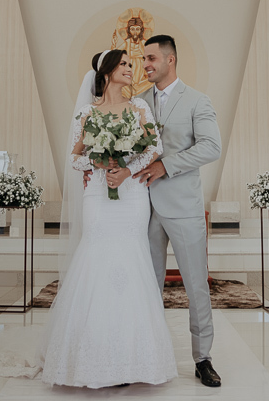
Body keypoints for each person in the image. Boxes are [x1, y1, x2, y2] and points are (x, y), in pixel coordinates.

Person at [37, 48, 177, 388]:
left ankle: (133, 359)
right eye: (125, 64)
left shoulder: (139, 107)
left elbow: (154, 148)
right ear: (108, 71)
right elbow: (75, 158)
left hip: (130, 196)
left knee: (131, 260)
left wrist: (126, 171)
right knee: (96, 258)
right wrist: (100, 164)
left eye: (133, 64)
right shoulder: (87, 112)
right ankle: (89, 357)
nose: (132, 69)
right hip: (99, 196)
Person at [134, 34, 223, 388]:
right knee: (147, 285)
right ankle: (148, 353)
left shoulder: (197, 101)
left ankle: (203, 359)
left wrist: (166, 165)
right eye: (143, 59)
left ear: (170, 60)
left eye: (151, 58)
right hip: (142, 209)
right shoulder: (138, 102)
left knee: (196, 286)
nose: (146, 65)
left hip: (183, 207)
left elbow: (210, 147)